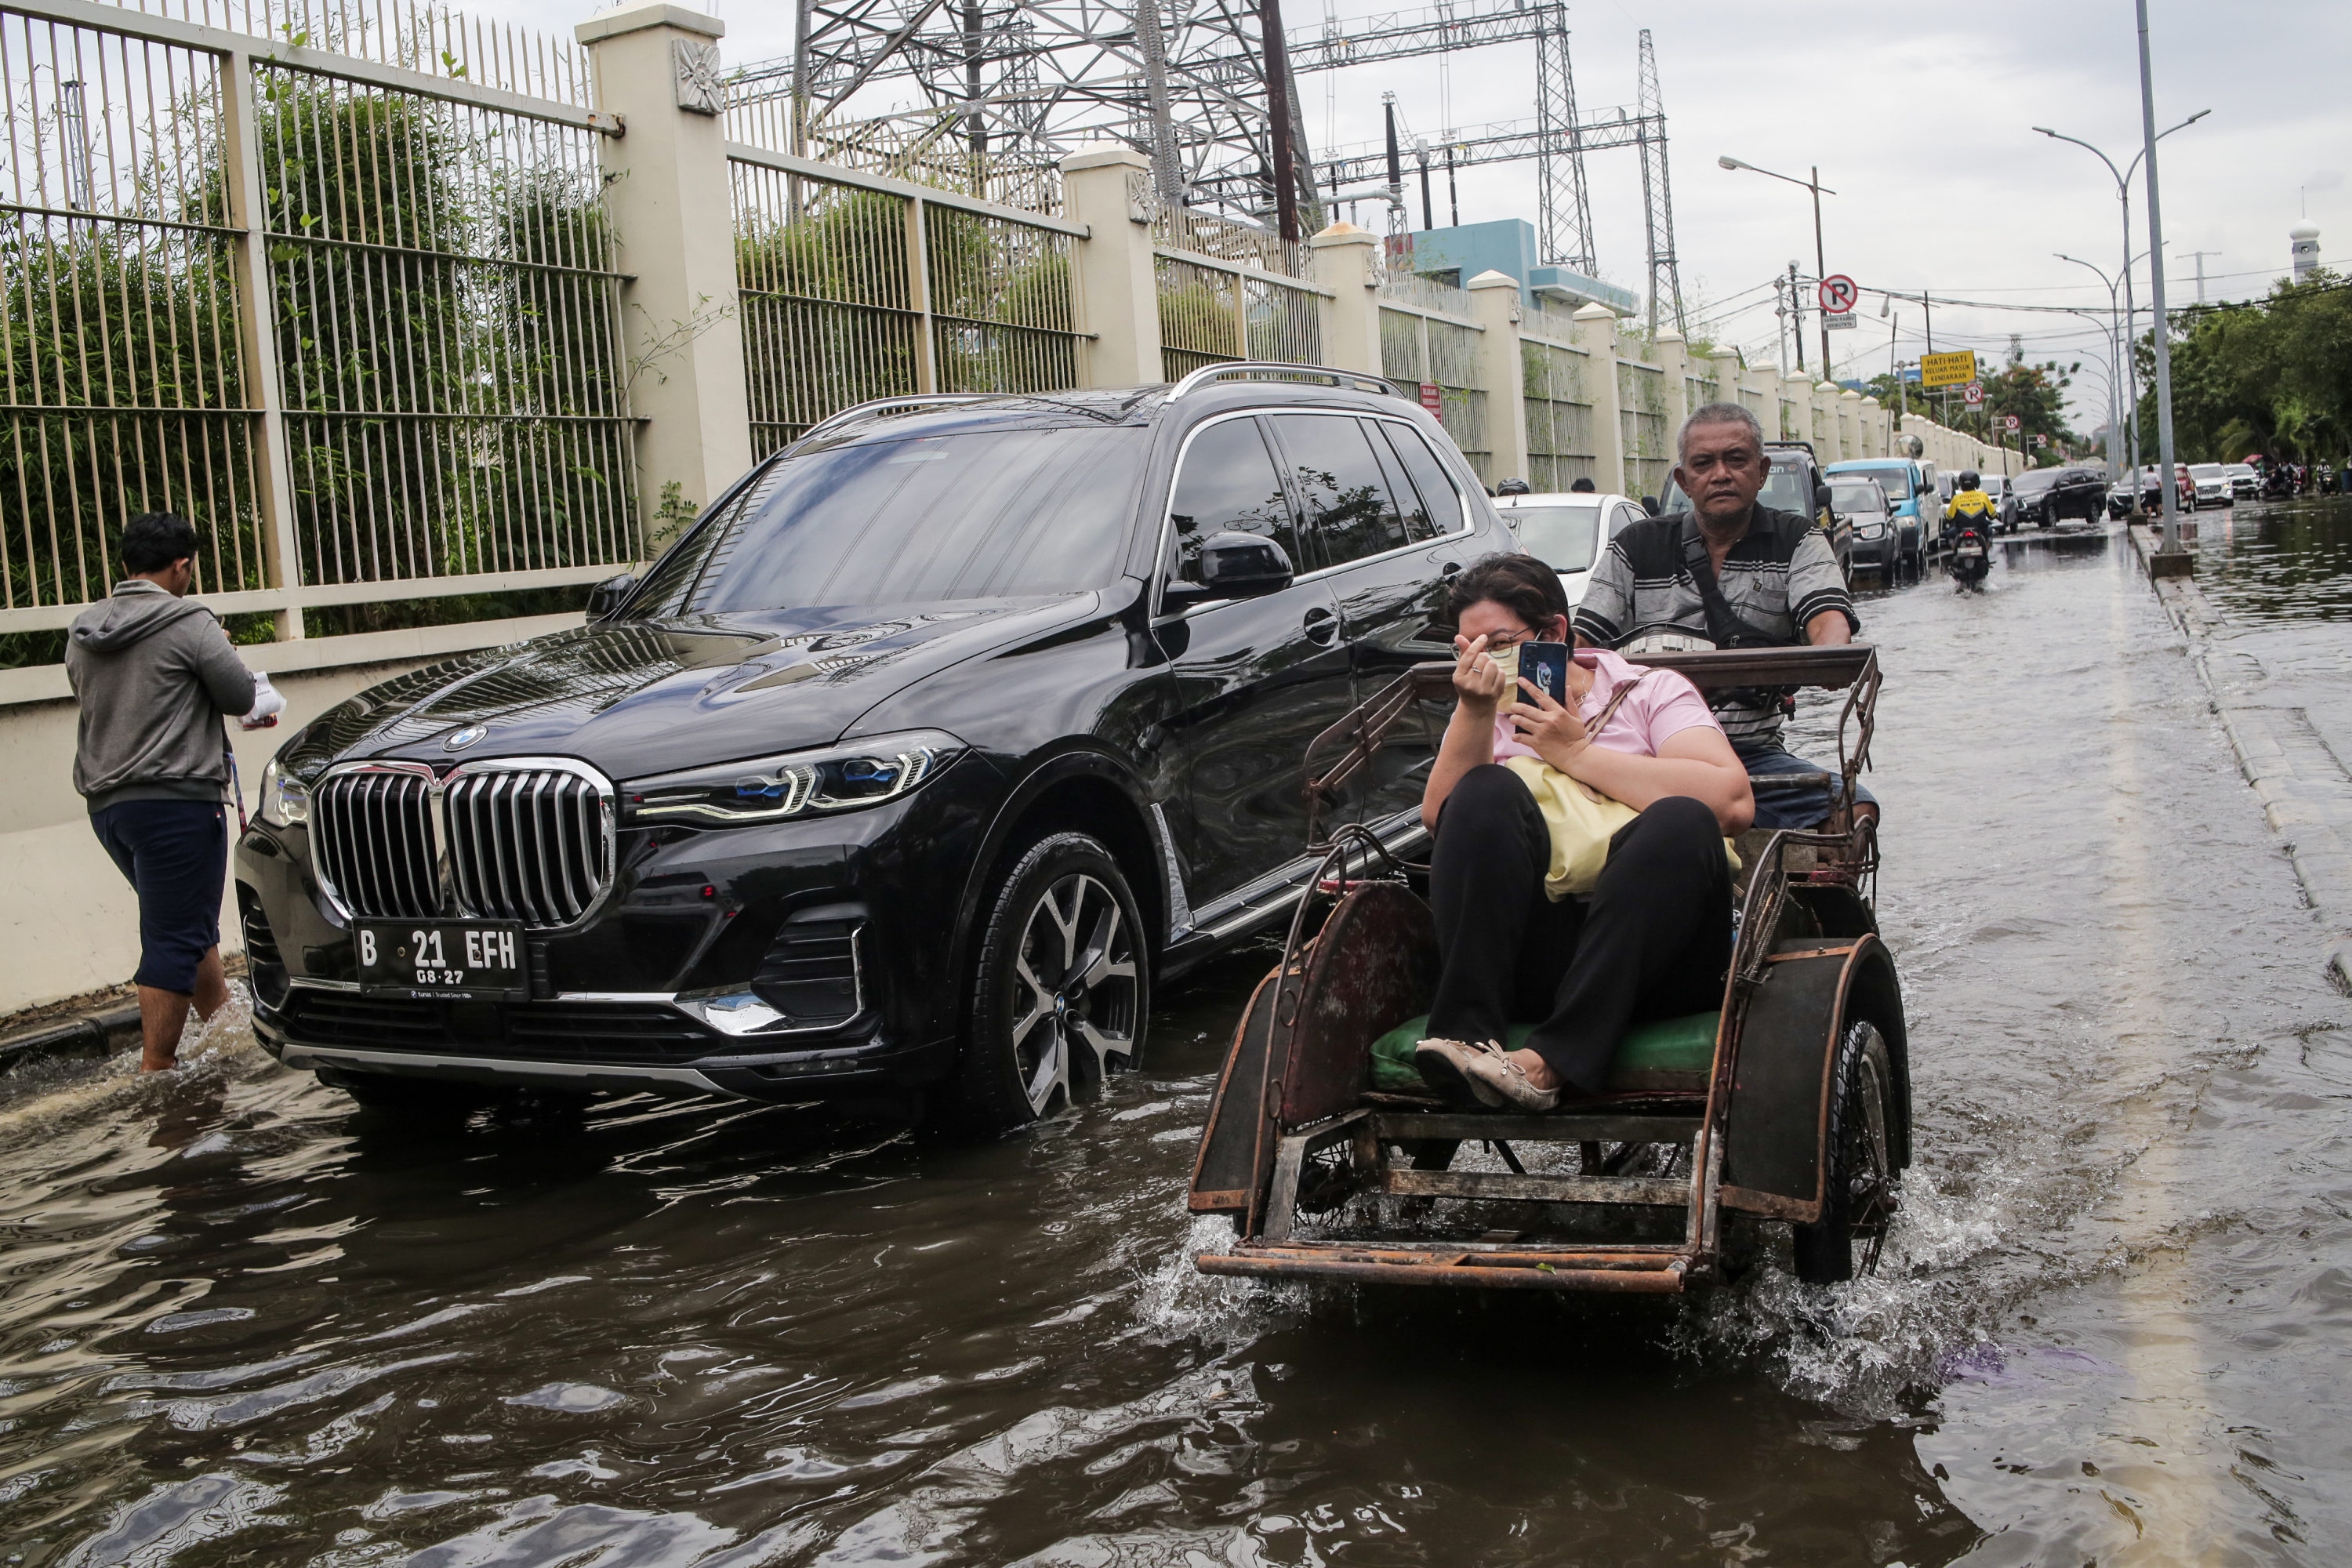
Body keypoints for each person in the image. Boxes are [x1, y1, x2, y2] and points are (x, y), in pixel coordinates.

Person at [1412, 554, 1754, 1112]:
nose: (1482, 661)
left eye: (1497, 643)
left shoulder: (1649, 691)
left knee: (1682, 819)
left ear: (1554, 633)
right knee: (1480, 794)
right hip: (1538, 958)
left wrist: (1575, 753)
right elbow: (1442, 820)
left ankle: (1551, 1062)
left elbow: (1733, 802)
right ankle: (1464, 1039)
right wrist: (1474, 712)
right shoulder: (1485, 710)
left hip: (1657, 962)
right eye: (1465, 648)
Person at [1570, 402, 1871, 833]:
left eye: (1736, 459)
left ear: (1761, 471)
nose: (1721, 474)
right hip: (1642, 748)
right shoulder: (1636, 545)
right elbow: (1584, 643)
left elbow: (1826, 618)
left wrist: (1830, 655)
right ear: (1683, 480)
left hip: (1751, 752)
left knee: (1854, 811)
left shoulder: (1797, 539)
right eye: (1704, 463)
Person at [66, 514, 281, 1073]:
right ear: (182, 565)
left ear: (126, 565)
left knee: (183, 922)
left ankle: (226, 1030)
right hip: (176, 803)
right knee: (173, 936)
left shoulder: (84, 629)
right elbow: (237, 695)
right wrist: (219, 651)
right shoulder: (189, 620)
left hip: (110, 809)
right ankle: (156, 1070)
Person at [1944, 469, 1996, 536]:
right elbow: (1993, 514)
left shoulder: (1956, 498)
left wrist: (1946, 517)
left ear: (1961, 484)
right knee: (1989, 531)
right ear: (1977, 483)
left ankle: (1955, 547)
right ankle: (1986, 547)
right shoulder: (1983, 496)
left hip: (1960, 530)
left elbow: (1948, 517)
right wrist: (1996, 515)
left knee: (1950, 534)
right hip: (1981, 529)